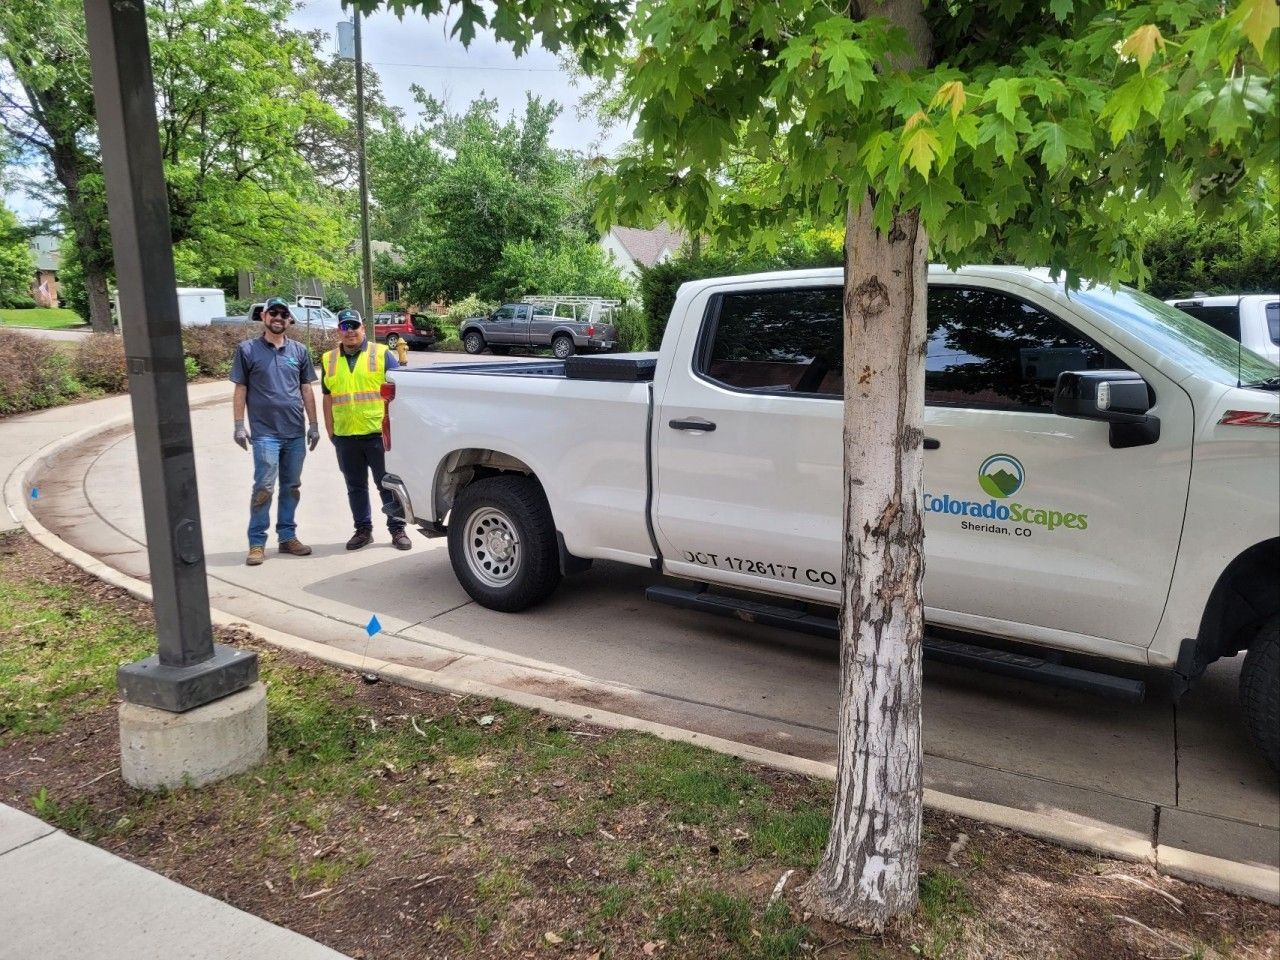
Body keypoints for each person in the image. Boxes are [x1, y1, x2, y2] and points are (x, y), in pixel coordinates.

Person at [230, 296, 321, 566]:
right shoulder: (247, 350)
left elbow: (306, 388)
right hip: (265, 434)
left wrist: (314, 425)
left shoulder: (299, 351)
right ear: (263, 317)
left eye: (283, 313)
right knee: (264, 487)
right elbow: (241, 388)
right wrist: (238, 424)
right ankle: (257, 542)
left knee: (291, 487)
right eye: (273, 313)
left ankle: (287, 537)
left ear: (289, 319)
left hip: (294, 432)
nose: (278, 317)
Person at [321, 309, 411, 551]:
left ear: (363, 327)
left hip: (378, 435)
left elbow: (400, 391)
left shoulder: (381, 354)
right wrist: (330, 430)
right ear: (338, 331)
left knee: (386, 485)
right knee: (355, 486)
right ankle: (363, 530)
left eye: (354, 326)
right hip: (346, 436)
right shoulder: (328, 359)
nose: (349, 331)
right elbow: (328, 397)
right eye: (344, 327)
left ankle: (397, 529)